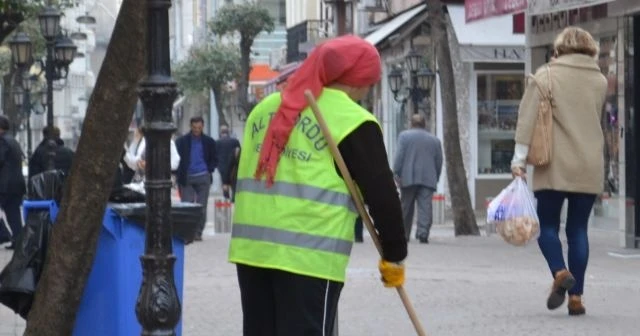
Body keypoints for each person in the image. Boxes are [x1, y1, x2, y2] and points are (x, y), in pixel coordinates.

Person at [228, 35, 407, 336]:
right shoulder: (352, 120)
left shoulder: (263, 110)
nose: (369, 88)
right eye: (370, 81)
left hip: (252, 252)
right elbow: (382, 196)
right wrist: (394, 254)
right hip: (308, 256)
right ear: (358, 80)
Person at [511, 27, 607, 316]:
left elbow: (527, 120)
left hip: (554, 163)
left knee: (547, 226)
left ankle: (559, 272)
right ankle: (576, 298)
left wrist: (518, 160)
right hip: (589, 163)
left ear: (560, 48)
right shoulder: (600, 81)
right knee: (578, 230)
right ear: (590, 48)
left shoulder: (546, 76)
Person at [393, 114, 443, 243]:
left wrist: (396, 173)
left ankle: (404, 234)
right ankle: (423, 233)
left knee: (406, 207)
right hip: (428, 177)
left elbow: (399, 156)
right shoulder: (435, 140)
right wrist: (436, 176)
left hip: (408, 176)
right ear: (424, 124)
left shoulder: (404, 136)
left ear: (411, 124)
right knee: (425, 207)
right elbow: (439, 161)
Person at [175, 116, 217, 241]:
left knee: (201, 207)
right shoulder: (182, 142)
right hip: (187, 177)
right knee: (186, 206)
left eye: (199, 128)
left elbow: (215, 158)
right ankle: (187, 233)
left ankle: (198, 232)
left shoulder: (209, 142)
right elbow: (177, 159)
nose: (196, 130)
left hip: (203, 176)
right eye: (194, 128)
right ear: (190, 127)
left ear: (202, 127)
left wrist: (209, 169)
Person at [0, 116, 27, 250]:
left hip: (6, 185)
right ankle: (17, 240)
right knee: (13, 214)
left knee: (12, 213)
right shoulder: (13, 141)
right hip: (16, 184)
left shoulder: (3, 141)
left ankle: (6, 235)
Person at [216, 125, 241, 200]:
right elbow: (239, 151)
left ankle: (226, 197)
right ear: (228, 132)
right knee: (233, 180)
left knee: (225, 182)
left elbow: (214, 154)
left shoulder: (217, 142)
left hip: (222, 165)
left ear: (220, 132)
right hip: (233, 165)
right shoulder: (235, 141)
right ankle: (233, 196)